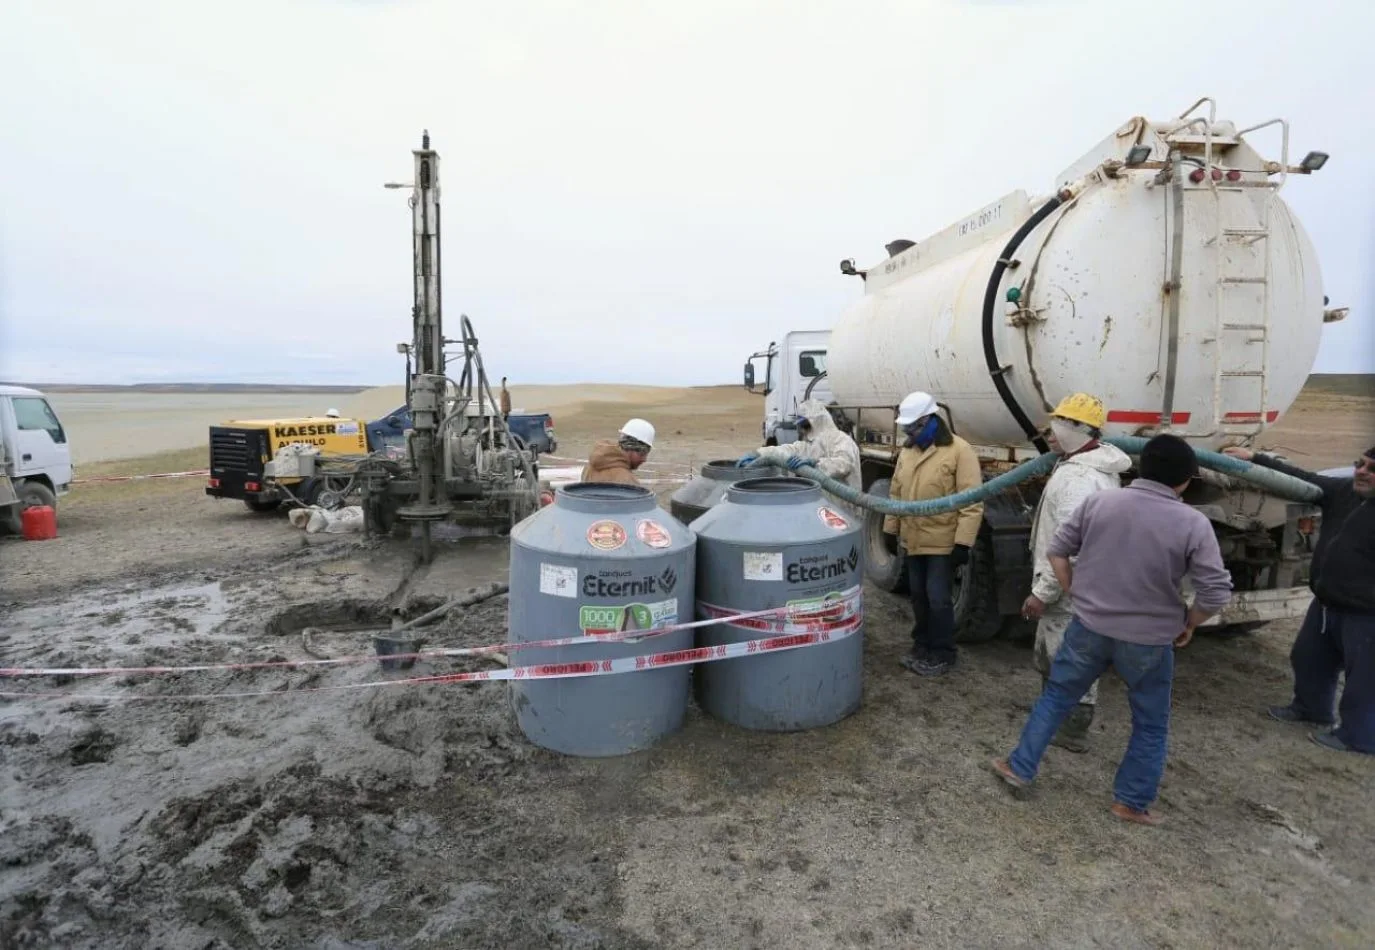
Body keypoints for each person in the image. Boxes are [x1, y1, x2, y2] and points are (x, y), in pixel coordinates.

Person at [992, 434, 1233, 826]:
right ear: (1185, 481)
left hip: (1089, 626)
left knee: (1057, 696)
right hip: (1150, 640)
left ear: (1143, 468)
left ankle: (1019, 766)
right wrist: (1190, 622)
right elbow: (1217, 589)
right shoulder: (1193, 523)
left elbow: (1057, 550)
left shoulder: (1100, 502)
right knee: (1150, 722)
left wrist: (1073, 591)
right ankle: (1130, 803)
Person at [1224, 444, 1375, 755]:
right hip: (1327, 604)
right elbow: (1300, 478)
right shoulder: (1344, 492)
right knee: (1308, 658)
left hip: (1365, 613)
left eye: (1372, 469)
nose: (1361, 472)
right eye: (1359, 464)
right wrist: (1256, 459)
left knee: (1364, 681)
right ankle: (1311, 709)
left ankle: (1358, 738)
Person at [1021, 393, 1132, 753]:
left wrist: (1044, 592)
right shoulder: (1090, 468)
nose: (1049, 433)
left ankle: (1070, 729)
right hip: (1085, 587)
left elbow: (1069, 546)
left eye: (1058, 425)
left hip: (1069, 590)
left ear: (1077, 429)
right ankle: (1061, 719)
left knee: (1065, 656)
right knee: (1067, 654)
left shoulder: (1079, 480)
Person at [882, 391, 984, 676]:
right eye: (906, 428)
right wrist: (891, 528)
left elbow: (971, 501)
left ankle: (943, 652)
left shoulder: (959, 451)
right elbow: (895, 493)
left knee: (938, 598)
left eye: (912, 427)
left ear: (929, 420)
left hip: (942, 542)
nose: (908, 433)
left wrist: (963, 543)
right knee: (918, 595)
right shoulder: (908, 451)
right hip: (913, 539)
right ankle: (922, 645)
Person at [736, 399, 862, 513]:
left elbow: (844, 464)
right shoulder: (808, 445)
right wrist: (758, 453)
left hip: (846, 508)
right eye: (801, 426)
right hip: (825, 510)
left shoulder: (841, 439)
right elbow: (784, 450)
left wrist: (816, 463)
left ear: (815, 421)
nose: (802, 430)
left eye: (804, 425)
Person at [580, 418, 655, 487]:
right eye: (642, 454)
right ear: (630, 448)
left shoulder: (589, 467)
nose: (644, 459)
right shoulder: (628, 482)